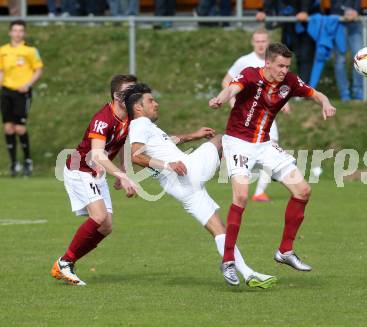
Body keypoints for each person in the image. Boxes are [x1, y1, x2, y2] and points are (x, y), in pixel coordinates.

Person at [209, 43, 336, 286]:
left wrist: (326, 104)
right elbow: (231, 89)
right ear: (267, 63)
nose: (284, 70)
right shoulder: (249, 74)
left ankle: (285, 251)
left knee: (303, 190)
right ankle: (227, 261)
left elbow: (316, 93)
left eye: (287, 66)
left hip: (265, 144)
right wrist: (220, 98)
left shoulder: (289, 81)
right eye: (280, 65)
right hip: (237, 142)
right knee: (242, 196)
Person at [126, 83, 277, 288]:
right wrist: (168, 164)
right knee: (224, 139)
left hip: (182, 187)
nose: (156, 104)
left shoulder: (147, 128)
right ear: (138, 108)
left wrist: (193, 136)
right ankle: (267, 165)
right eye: (150, 101)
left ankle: (247, 272)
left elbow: (163, 144)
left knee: (219, 229)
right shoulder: (140, 124)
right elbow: (136, 155)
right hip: (186, 171)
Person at [50, 75, 139, 286]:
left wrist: (124, 169)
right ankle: (64, 263)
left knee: (106, 226)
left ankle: (65, 263)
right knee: (99, 216)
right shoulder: (103, 119)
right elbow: (98, 155)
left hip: (96, 172)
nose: (135, 94)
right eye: (130, 91)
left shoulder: (130, 116)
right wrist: (121, 175)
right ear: (117, 95)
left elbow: (125, 142)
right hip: (80, 169)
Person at [222, 28, 290, 202]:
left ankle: (259, 191)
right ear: (253, 42)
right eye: (257, 41)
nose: (260, 44)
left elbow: (279, 85)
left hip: (267, 115)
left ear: (268, 43)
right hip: (246, 116)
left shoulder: (277, 62)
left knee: (271, 147)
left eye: (263, 41)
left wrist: (284, 102)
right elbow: (226, 81)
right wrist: (232, 102)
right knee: (248, 153)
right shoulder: (244, 61)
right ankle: (243, 185)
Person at [0, 20, 43, 177]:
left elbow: (38, 70)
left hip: (22, 93)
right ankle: (13, 164)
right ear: (10, 32)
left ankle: (27, 162)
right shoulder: (3, 50)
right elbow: (2, 71)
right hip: (6, 91)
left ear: (24, 33)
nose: (17, 33)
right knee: (8, 127)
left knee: (20, 128)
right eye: (15, 30)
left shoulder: (30, 51)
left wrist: (28, 84)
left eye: (20, 31)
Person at [330, 0, 364, 101]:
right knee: (340, 60)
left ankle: (358, 92)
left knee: (360, 59)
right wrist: (346, 11)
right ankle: (344, 93)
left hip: (355, 23)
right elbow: (334, 5)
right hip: (339, 22)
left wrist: (355, 11)